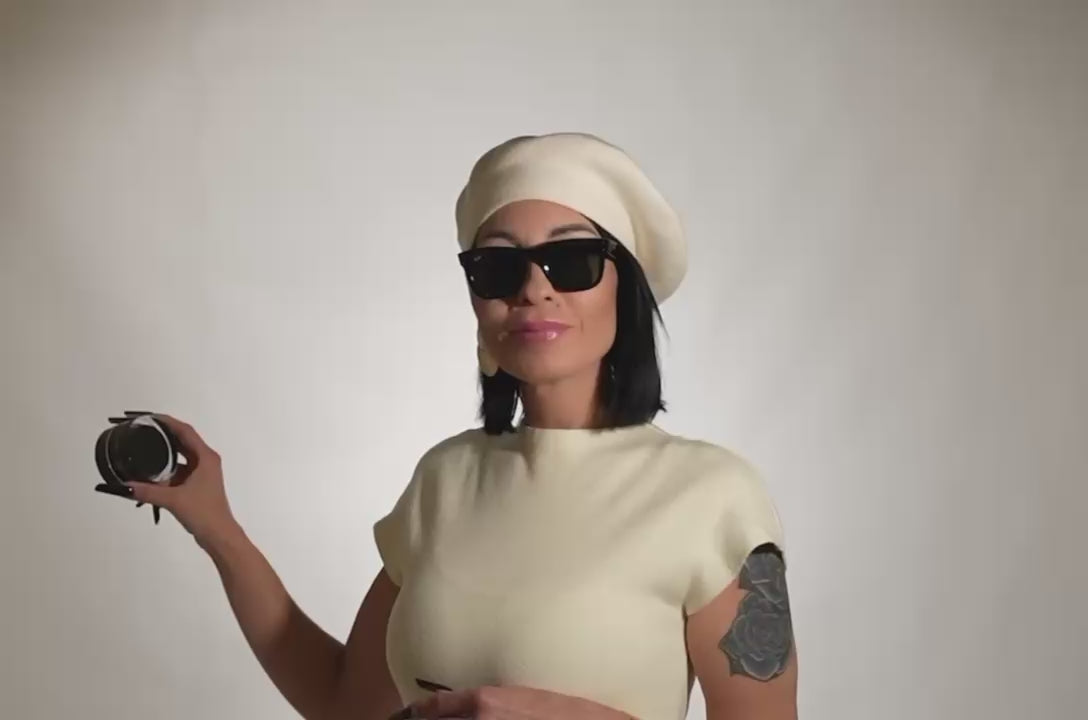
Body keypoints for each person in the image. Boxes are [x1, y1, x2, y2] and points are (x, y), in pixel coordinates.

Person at [109, 133, 798, 720]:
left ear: (627, 289)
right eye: (498, 266)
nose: (533, 288)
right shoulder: (445, 477)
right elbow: (344, 704)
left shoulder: (712, 496)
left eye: (572, 261)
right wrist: (218, 529)